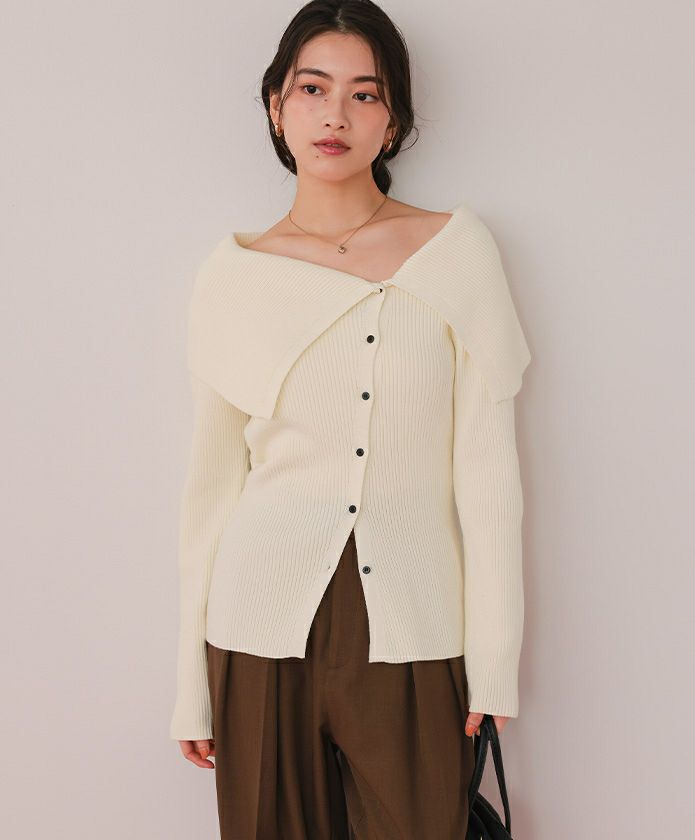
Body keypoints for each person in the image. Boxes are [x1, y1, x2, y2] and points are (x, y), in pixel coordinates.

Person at [169, 1, 531, 837]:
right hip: (256, 631)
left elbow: (488, 474)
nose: (335, 115)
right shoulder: (233, 275)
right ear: (276, 107)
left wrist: (494, 661)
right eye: (312, 89)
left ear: (392, 121)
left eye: (364, 94)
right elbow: (210, 492)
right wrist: (191, 684)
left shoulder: (454, 252)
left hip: (415, 629)